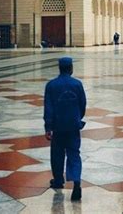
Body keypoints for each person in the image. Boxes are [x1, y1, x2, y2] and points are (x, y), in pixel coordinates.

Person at [44, 57, 86, 202]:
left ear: (60, 68)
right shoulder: (77, 84)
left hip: (58, 127)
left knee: (57, 154)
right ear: (71, 68)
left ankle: (58, 180)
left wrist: (48, 127)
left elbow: (48, 108)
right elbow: (82, 105)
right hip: (73, 126)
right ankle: (76, 183)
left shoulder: (51, 85)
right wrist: (76, 118)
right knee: (74, 154)